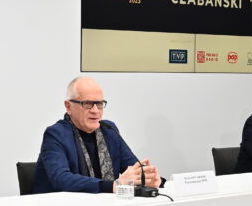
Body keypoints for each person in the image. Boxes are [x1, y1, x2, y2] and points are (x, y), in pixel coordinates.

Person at [33, 76, 162, 193]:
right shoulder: (56, 134)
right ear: (68, 106)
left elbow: (132, 168)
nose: (95, 111)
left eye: (99, 104)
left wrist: (149, 178)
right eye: (88, 104)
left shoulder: (109, 130)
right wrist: (113, 186)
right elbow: (61, 179)